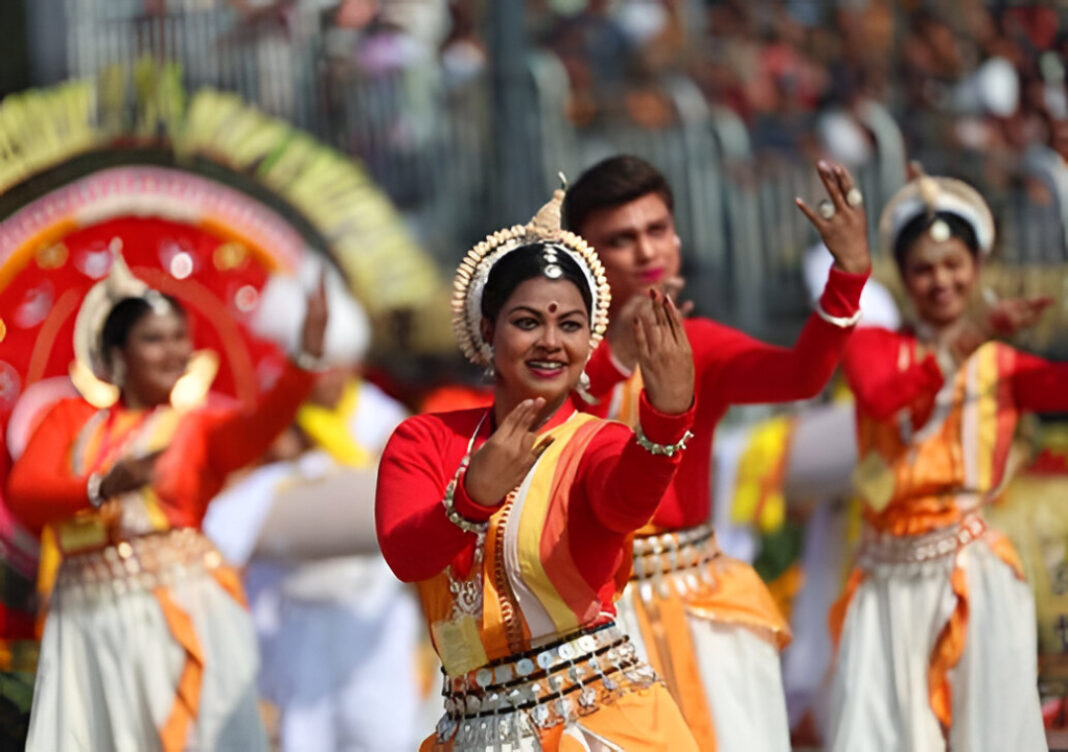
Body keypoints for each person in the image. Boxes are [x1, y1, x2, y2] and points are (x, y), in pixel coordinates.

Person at [562, 154, 871, 751]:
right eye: (621, 240)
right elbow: (538, 428)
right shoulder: (557, 357)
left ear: (677, 238)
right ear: (585, 256)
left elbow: (802, 375)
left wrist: (848, 275)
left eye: (656, 231)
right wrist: (616, 358)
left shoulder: (699, 346)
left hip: (700, 601)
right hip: (595, 617)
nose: (647, 251)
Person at [376, 191, 700, 751]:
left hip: (595, 726)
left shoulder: (598, 442)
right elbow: (407, 557)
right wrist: (472, 498)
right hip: (472, 729)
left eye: (569, 325)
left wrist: (667, 422)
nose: (550, 342)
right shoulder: (425, 439)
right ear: (488, 327)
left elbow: (627, 504)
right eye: (527, 322)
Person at [5, 250, 328, 752]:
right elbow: (26, 493)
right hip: (86, 621)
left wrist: (302, 361)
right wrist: (101, 488)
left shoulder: (198, 427)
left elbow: (260, 426)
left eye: (180, 338)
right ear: (116, 353)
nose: (173, 352)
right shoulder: (69, 420)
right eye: (153, 339)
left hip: (178, 615)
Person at [828, 170, 1063, 751]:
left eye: (954, 264)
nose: (941, 281)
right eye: (924, 269)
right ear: (904, 279)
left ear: (977, 266)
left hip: (972, 575)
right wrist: (974, 333)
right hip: (884, 581)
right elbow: (884, 396)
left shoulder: (1002, 365)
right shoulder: (873, 345)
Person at [204, 265, 421, 752]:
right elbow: (228, 511)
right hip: (293, 617)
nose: (328, 377)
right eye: (317, 364)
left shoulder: (385, 420)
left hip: (369, 614)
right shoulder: (271, 429)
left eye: (337, 363)